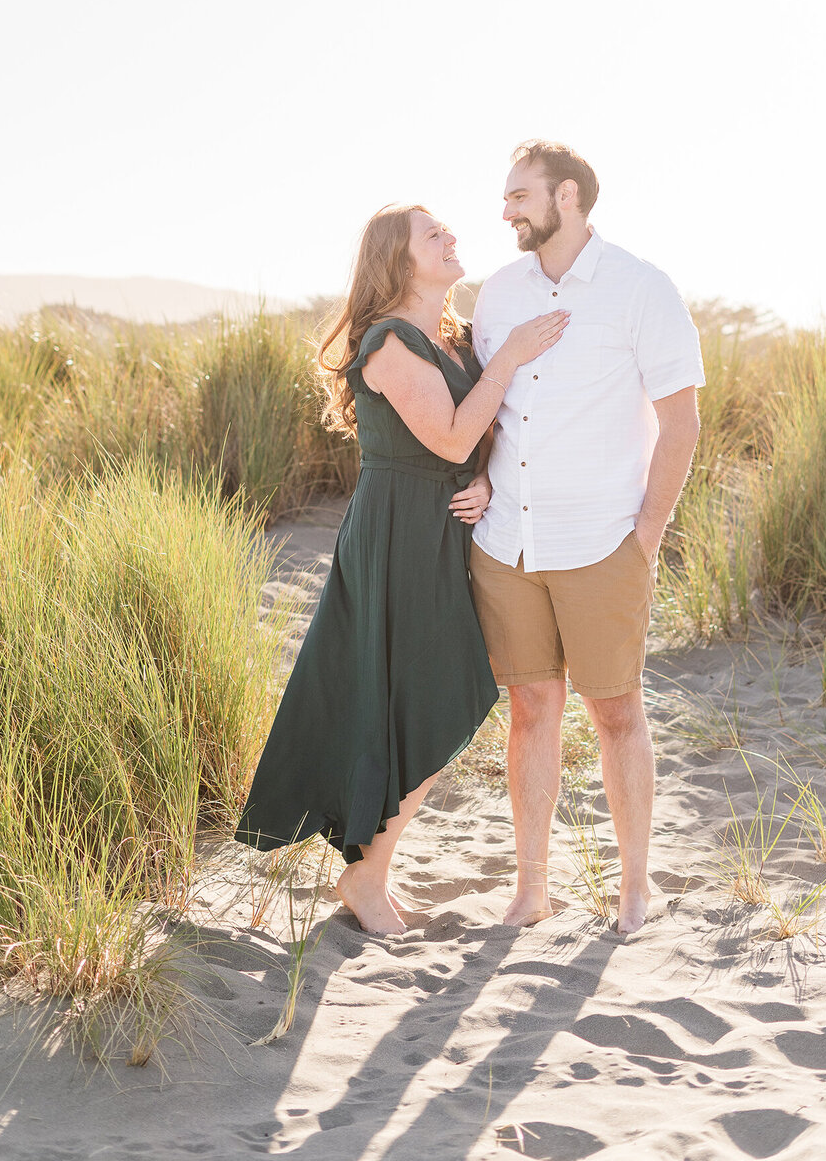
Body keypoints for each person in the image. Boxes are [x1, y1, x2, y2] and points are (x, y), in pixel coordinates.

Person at [234, 203, 568, 936]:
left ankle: (367, 872)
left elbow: (479, 438)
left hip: (446, 526)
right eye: (432, 234)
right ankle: (366, 877)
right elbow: (448, 437)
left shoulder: (454, 336)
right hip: (399, 533)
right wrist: (509, 358)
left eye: (447, 229)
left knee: (431, 695)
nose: (451, 238)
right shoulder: (388, 342)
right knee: (430, 696)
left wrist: (488, 482)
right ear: (398, 260)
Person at [470, 140, 704, 934]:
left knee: (617, 714)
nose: (506, 210)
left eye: (519, 195)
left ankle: (634, 888)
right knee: (531, 709)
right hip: (508, 545)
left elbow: (681, 422)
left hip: (604, 542)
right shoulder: (497, 294)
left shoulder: (641, 287)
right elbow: (486, 407)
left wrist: (647, 533)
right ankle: (532, 889)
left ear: (566, 195)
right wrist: (479, 480)